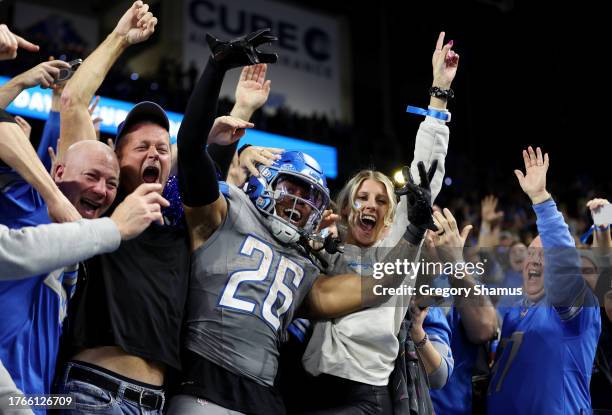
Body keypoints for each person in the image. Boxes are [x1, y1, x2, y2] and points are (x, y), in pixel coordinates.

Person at [166, 29, 431, 415]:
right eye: (293, 188)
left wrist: (414, 231)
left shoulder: (306, 263)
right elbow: (190, 149)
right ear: (269, 184)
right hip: (205, 384)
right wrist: (215, 68)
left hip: (265, 396)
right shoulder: (226, 210)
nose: (300, 202)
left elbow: (380, 286)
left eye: (310, 197)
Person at [299, 31, 460, 415]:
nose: (370, 205)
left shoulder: (396, 252)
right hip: (307, 388)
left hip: (364, 397)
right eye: (362, 197)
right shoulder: (326, 249)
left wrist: (439, 92)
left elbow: (426, 175)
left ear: (390, 216)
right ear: (347, 206)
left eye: (381, 201)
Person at [487, 147, 601, 414]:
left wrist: (540, 198)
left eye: (545, 254)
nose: (535, 260)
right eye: (531, 253)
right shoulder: (516, 309)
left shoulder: (575, 308)